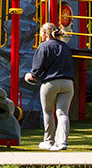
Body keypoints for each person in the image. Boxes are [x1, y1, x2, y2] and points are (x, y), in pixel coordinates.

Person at [24, 21, 76, 151]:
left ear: (46, 33)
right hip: (68, 83)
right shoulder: (64, 46)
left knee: (48, 112)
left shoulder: (44, 46)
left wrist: (31, 76)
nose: (40, 35)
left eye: (41, 33)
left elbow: (37, 68)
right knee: (63, 113)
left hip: (51, 83)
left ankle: (49, 141)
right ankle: (62, 142)